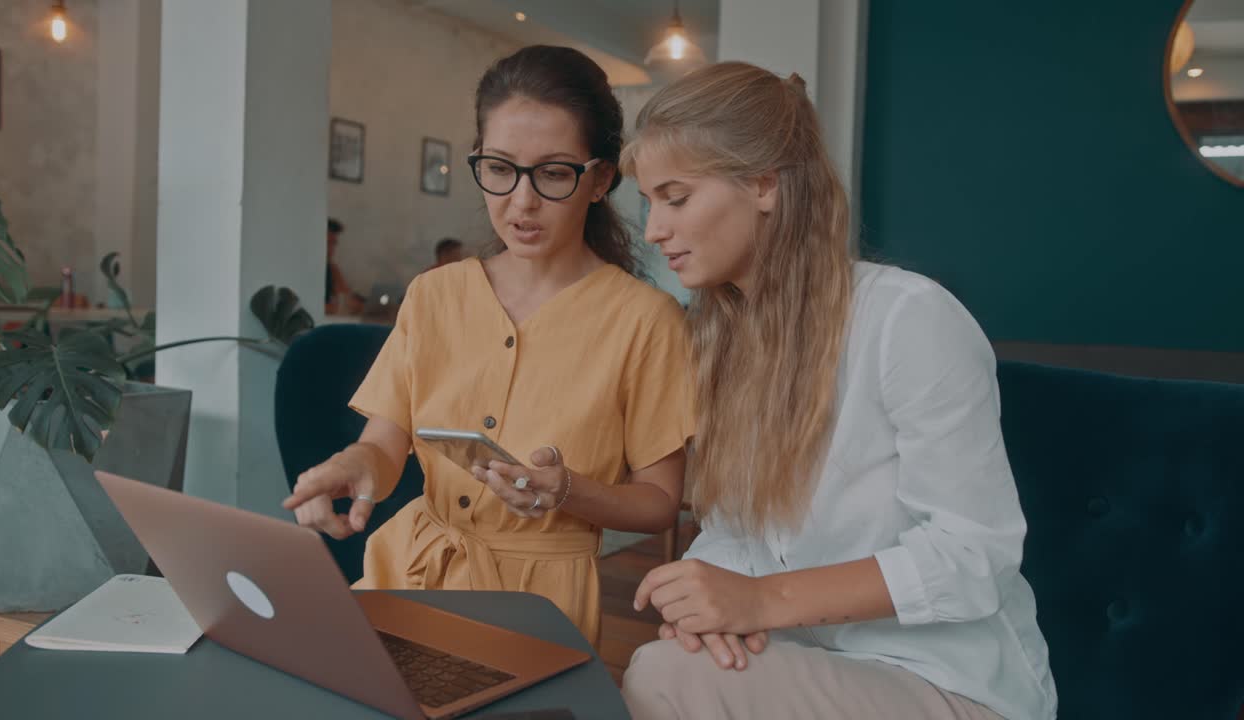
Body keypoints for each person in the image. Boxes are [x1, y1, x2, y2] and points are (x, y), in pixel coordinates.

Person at [619, 62, 1057, 720]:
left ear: (763, 183)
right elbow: (737, 532)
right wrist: (701, 601)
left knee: (662, 676)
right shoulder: (724, 345)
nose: (654, 230)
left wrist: (762, 602)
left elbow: (973, 554)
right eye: (649, 203)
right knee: (673, 664)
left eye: (675, 198)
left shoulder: (909, 319)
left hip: (949, 683)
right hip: (807, 661)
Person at [282, 46, 694, 647]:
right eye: (500, 169)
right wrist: (352, 467)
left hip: (537, 606)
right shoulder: (433, 296)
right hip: (410, 570)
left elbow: (659, 502)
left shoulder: (645, 320)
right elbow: (384, 444)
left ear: (600, 179)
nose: (521, 202)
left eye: (553, 174)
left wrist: (567, 490)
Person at [325, 217, 364, 315]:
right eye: (328, 243)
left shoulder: (332, 269)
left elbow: (347, 299)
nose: (332, 249)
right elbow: (315, 306)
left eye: (334, 244)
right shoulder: (305, 270)